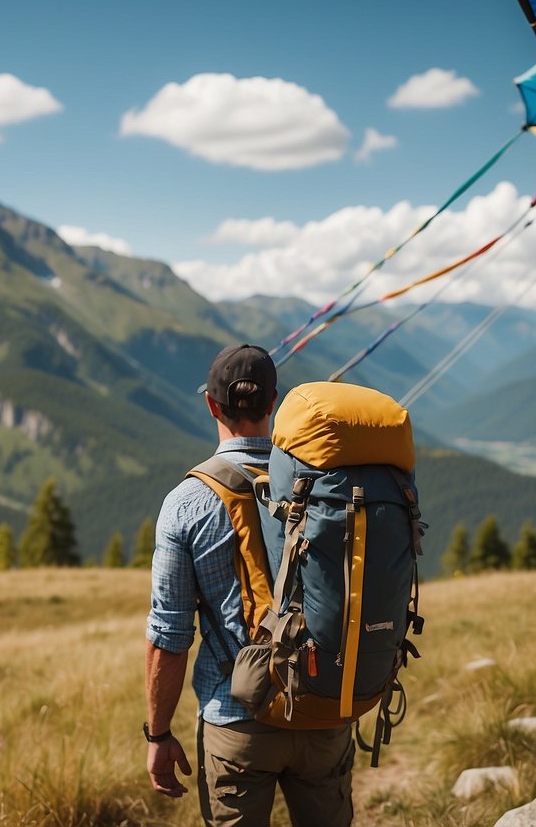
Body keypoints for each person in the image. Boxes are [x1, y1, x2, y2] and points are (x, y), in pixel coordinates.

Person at [144, 343, 354, 826]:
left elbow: (169, 636)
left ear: (212, 405)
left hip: (235, 715)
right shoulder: (324, 482)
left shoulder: (187, 502)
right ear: (274, 403)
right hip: (323, 706)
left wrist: (158, 735)